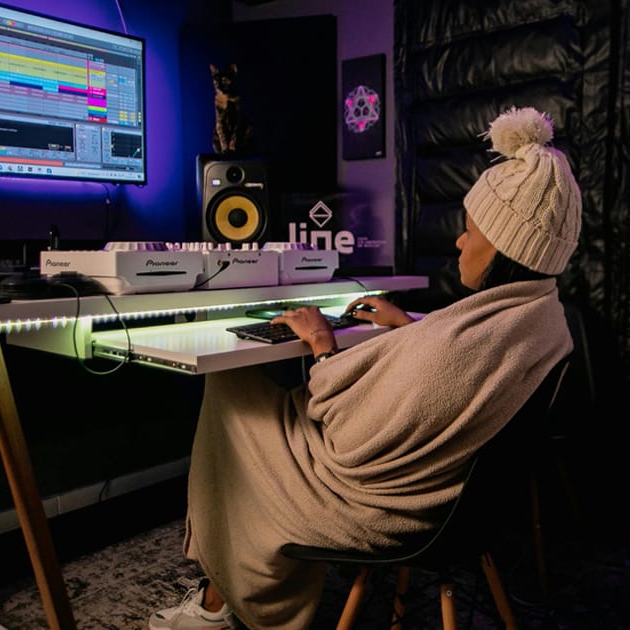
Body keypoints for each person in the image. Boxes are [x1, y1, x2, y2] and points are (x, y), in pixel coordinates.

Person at [149, 106, 582, 629]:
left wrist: (321, 343)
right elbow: (462, 370)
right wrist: (408, 327)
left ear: (506, 248)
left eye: (470, 232)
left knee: (228, 383)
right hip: (467, 509)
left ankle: (222, 601)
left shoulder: (460, 346)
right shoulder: (542, 318)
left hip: (381, 507)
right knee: (250, 398)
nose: (459, 242)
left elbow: (349, 440)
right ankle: (223, 589)